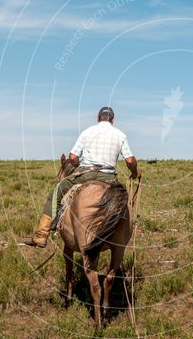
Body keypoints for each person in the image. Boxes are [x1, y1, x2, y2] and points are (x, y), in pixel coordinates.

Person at [25, 106, 140, 248]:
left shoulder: (87, 132)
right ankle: (123, 232)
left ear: (97, 119)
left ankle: (41, 235)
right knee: (123, 202)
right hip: (108, 177)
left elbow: (72, 157)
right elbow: (130, 161)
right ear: (113, 120)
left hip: (85, 174)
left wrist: (78, 164)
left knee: (57, 191)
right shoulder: (120, 135)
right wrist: (135, 173)